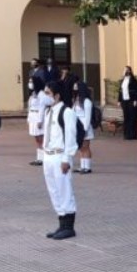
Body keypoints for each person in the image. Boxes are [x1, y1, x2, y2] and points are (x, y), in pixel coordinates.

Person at [40, 80, 79, 240]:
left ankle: (69, 226)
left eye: (48, 93)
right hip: (48, 155)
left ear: (57, 95)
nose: (45, 96)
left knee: (64, 190)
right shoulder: (49, 112)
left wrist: (66, 159)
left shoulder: (66, 112)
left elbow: (70, 137)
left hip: (59, 155)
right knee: (54, 190)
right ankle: (61, 222)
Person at [73, 81, 95, 174]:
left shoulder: (86, 101)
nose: (74, 88)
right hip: (77, 125)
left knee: (86, 146)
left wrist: (85, 129)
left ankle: (87, 167)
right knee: (81, 147)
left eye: (76, 86)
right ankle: (82, 166)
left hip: (84, 126)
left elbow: (87, 117)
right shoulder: (76, 100)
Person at [27, 76, 49, 166]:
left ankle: (44, 158)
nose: (30, 83)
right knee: (37, 139)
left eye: (31, 81)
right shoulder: (33, 94)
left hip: (38, 117)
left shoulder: (41, 94)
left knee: (41, 138)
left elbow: (42, 107)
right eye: (29, 81)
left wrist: (40, 120)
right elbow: (30, 107)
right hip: (32, 117)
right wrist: (28, 118)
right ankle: (39, 158)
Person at [118, 66, 137, 140]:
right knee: (126, 117)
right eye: (124, 70)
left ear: (129, 71)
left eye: (126, 70)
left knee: (132, 117)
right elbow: (120, 91)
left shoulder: (133, 80)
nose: (125, 71)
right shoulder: (122, 80)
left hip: (132, 100)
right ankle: (126, 135)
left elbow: (136, 91)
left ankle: (133, 135)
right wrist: (119, 100)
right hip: (125, 101)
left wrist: (135, 100)